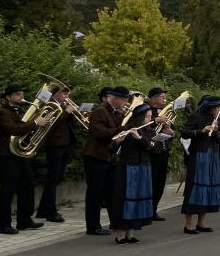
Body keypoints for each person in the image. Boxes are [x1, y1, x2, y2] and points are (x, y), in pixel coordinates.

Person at [0, 84, 53, 235]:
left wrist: (41, 125)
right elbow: (13, 130)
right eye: (17, 94)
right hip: (8, 156)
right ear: (8, 97)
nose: (22, 97)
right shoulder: (2, 112)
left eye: (22, 94)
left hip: (21, 155)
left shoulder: (22, 111)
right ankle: (4, 225)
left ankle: (24, 220)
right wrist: (35, 123)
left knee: (27, 187)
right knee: (7, 191)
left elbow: (27, 130)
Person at [83, 86, 131, 236]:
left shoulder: (115, 111)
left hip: (109, 156)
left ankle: (115, 222)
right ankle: (93, 226)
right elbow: (99, 133)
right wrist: (121, 129)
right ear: (115, 99)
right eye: (125, 100)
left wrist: (123, 119)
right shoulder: (100, 111)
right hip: (96, 156)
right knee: (95, 193)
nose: (126, 103)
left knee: (112, 192)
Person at [108, 103, 156, 245]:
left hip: (143, 167)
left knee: (137, 199)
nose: (149, 119)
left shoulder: (149, 131)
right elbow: (111, 148)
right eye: (147, 117)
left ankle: (130, 233)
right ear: (139, 117)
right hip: (127, 167)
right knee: (124, 200)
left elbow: (151, 147)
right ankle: (120, 235)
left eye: (150, 117)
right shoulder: (125, 129)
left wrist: (139, 138)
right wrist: (117, 142)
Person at [180, 96, 220, 234]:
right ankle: (188, 224)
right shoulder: (196, 117)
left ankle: (201, 222)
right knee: (194, 187)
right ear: (211, 108)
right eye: (218, 107)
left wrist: (216, 132)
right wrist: (202, 131)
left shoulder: (216, 119)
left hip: (212, 155)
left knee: (208, 187)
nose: (219, 109)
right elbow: (184, 133)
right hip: (198, 155)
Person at [36, 83, 78, 224]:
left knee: (56, 178)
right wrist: (66, 112)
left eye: (67, 94)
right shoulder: (49, 105)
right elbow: (50, 123)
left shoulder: (62, 106)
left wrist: (71, 113)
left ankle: (43, 209)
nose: (67, 96)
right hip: (54, 145)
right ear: (56, 93)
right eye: (64, 93)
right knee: (53, 178)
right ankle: (51, 211)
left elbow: (71, 125)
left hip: (65, 144)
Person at [144, 87, 172, 220]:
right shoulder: (146, 110)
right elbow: (142, 126)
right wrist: (156, 120)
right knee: (151, 181)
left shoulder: (164, 111)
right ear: (153, 97)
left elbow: (170, 129)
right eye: (162, 96)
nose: (164, 99)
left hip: (164, 149)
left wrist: (170, 131)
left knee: (160, 182)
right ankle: (146, 211)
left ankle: (153, 210)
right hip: (152, 151)